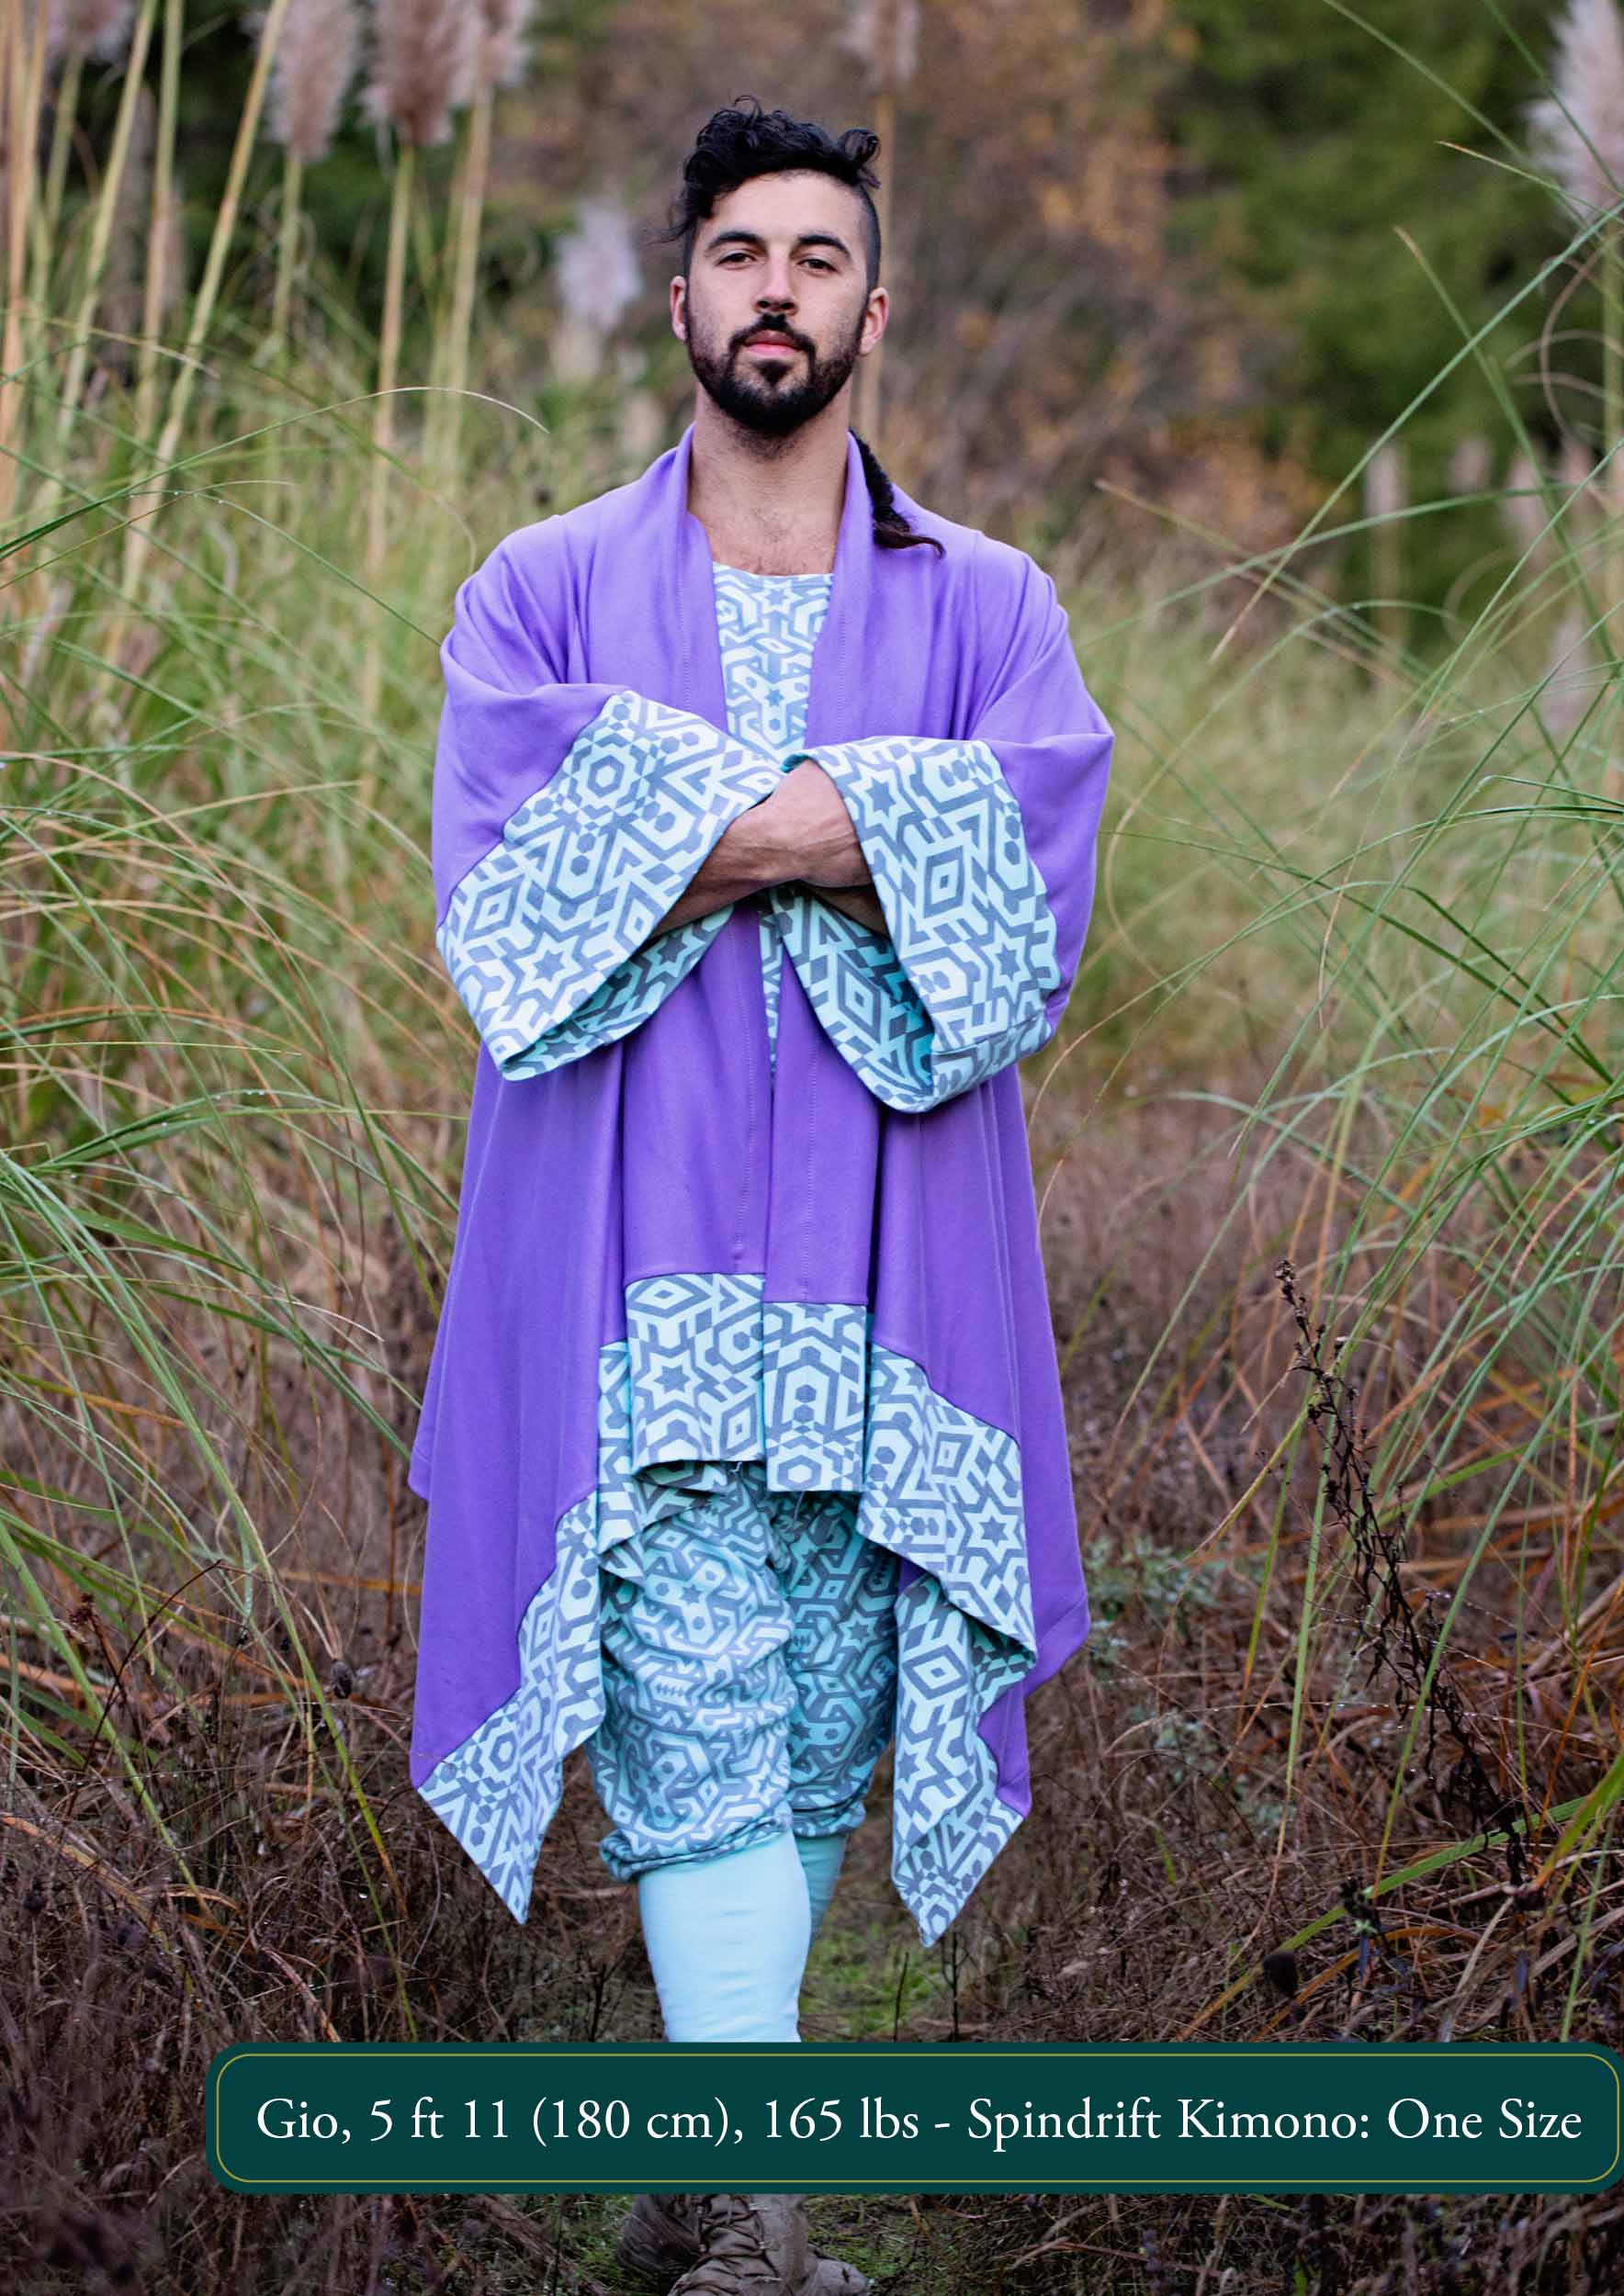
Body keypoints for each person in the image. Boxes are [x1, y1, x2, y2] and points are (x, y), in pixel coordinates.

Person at [405, 97, 1114, 2293]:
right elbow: (509, 887)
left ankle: (714, 2150)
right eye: (739, 253)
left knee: (813, 1701)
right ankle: (771, 2231)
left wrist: (696, 814)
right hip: (626, 1236)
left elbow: (1037, 882)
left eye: (820, 256)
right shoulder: (541, 587)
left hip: (890, 1249)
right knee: (689, 1668)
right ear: (686, 296)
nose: (777, 288)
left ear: (871, 308)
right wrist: (859, 816)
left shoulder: (991, 603)